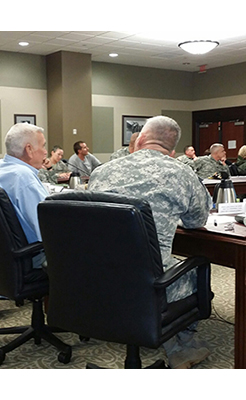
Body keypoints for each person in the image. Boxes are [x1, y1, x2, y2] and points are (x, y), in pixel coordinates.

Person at [88, 115, 212, 369]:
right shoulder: (182, 172)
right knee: (197, 273)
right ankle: (180, 346)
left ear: (140, 139)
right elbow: (197, 221)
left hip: (98, 277)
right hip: (150, 284)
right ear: (173, 150)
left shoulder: (100, 172)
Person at [0, 123, 48, 269]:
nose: (45, 152)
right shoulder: (23, 178)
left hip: (0, 256)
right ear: (29, 149)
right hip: (32, 257)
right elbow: (46, 230)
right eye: (43, 146)